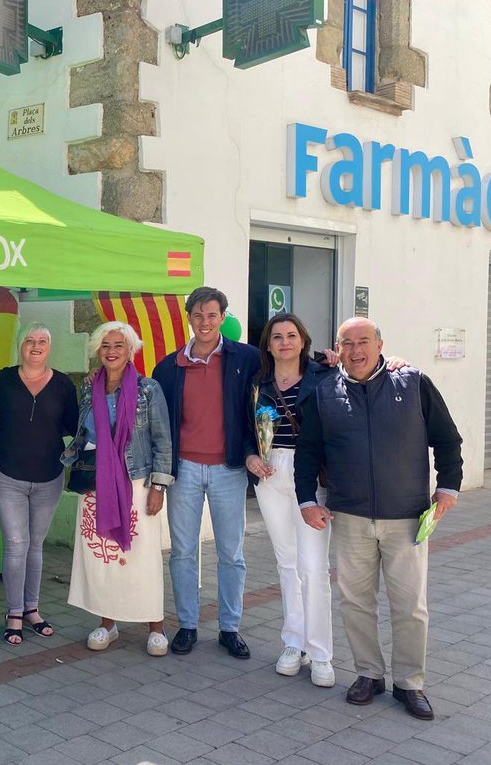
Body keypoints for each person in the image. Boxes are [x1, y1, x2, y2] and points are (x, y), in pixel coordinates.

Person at [296, 317, 462, 721]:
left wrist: (448, 487)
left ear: (380, 344)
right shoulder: (324, 394)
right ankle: (369, 673)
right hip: (349, 515)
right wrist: (306, 500)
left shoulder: (413, 383)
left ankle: (411, 682)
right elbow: (307, 453)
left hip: (406, 516)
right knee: (355, 601)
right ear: (338, 348)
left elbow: (447, 439)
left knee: (410, 606)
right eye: (346, 343)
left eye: (363, 341)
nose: (355, 351)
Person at [152, 286, 261, 659]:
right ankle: (187, 624)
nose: (205, 322)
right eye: (198, 315)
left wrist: (328, 362)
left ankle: (230, 628)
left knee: (231, 553)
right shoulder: (168, 367)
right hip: (183, 471)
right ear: (189, 319)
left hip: (229, 470)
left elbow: (289, 370)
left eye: (212, 315)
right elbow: (158, 423)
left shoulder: (246, 358)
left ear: (223, 317)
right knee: (183, 552)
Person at [66, 322, 173, 654]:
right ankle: (107, 623)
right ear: (98, 351)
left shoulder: (147, 389)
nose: (111, 352)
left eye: (119, 346)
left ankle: (154, 626)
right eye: (105, 346)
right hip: (96, 482)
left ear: (130, 350)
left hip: (137, 481)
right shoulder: (88, 388)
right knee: (103, 558)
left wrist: (159, 486)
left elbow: (162, 440)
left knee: (142, 556)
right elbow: (83, 434)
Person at [247, 313, 336, 686]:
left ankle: (320, 653)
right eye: (277, 336)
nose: (285, 342)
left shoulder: (326, 376)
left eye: (292, 335)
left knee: (313, 566)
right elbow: (243, 428)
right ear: (268, 344)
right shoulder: (257, 383)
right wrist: (250, 456)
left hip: (311, 475)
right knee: (286, 562)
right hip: (270, 473)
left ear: (303, 341)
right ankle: (293, 642)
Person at [0, 324, 78, 645]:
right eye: (30, 340)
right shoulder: (1, 380)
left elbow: (76, 426)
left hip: (50, 476)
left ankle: (31, 609)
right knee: (16, 543)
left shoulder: (64, 385)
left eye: (42, 341)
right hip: (6, 474)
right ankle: (13, 612)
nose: (36, 346)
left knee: (35, 545)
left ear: (49, 348)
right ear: (20, 346)